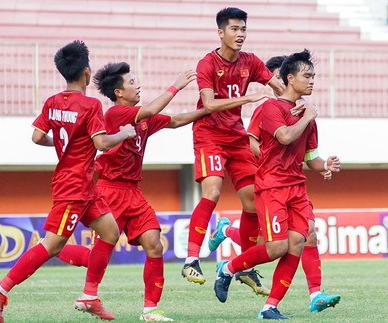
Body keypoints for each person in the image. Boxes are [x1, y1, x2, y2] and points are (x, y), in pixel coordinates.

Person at [0, 40, 137, 322]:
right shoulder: (91, 105)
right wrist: (125, 133)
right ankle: (0, 288)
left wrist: (66, 145)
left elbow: (37, 137)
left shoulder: (52, 102)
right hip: (74, 186)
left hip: (84, 186)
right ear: (87, 73)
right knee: (52, 245)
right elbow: (102, 143)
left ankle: (89, 295)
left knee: (111, 233)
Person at [53, 61, 203, 321]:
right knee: (97, 256)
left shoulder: (141, 118)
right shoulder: (114, 115)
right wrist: (176, 86)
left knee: (154, 244)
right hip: (109, 190)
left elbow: (176, 120)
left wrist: (208, 110)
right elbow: (155, 107)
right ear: (119, 92)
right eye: (132, 82)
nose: (138, 85)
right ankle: (54, 249)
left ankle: (150, 310)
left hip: (133, 192)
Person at [213, 49, 341, 319]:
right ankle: (227, 268)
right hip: (271, 187)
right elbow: (283, 137)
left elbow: (311, 157)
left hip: (297, 188)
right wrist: (307, 116)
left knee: (300, 240)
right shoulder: (271, 108)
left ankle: (270, 306)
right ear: (290, 78)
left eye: (314, 76)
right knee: (275, 248)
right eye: (307, 76)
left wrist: (325, 166)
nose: (312, 81)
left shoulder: (307, 115)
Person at [182, 6, 288, 293]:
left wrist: (292, 101)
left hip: (236, 137)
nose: (240, 34)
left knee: (253, 201)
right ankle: (192, 258)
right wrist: (248, 98)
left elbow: (276, 84)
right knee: (213, 191)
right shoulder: (207, 64)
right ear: (220, 32)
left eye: (243, 29)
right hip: (209, 134)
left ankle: (244, 266)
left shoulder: (250, 61)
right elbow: (209, 104)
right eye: (234, 29)